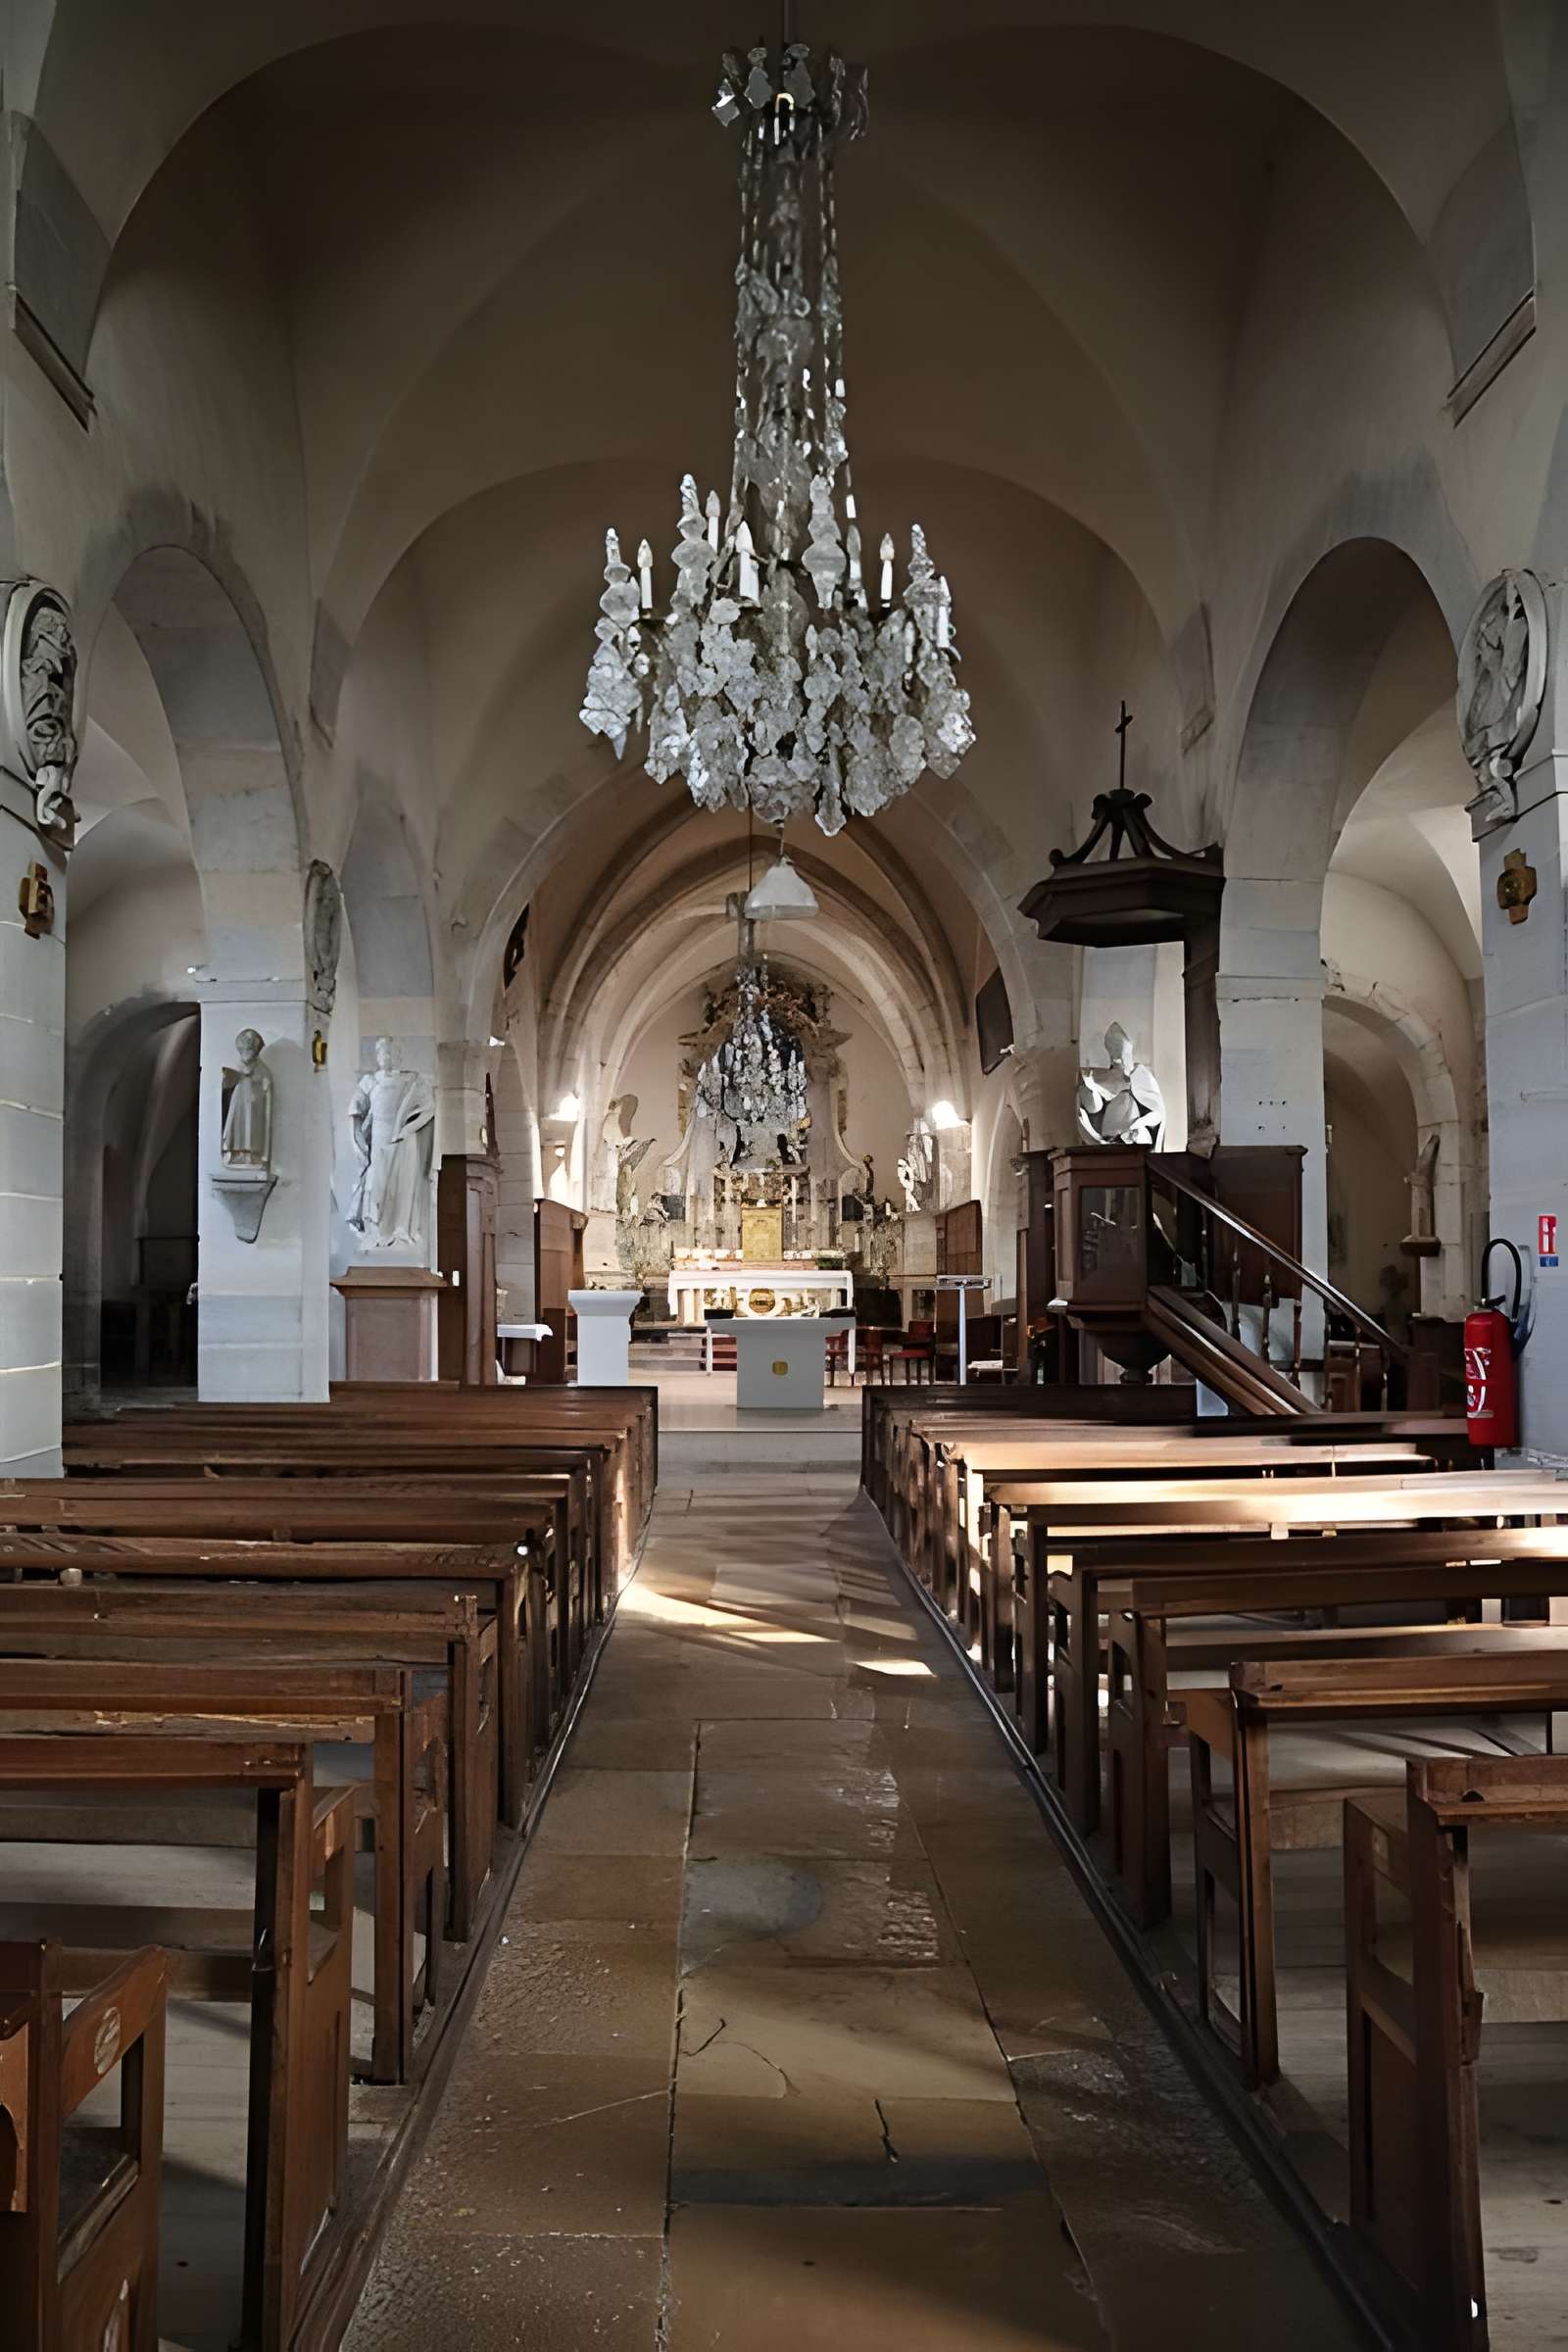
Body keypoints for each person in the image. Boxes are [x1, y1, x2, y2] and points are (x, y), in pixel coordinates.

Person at [348, 1037, 437, 1248]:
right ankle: (376, 1230)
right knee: (376, 1183)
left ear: (398, 1056)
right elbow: (356, 1107)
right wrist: (357, 1134)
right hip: (379, 1137)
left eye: (388, 1052)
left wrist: (408, 1129)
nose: (384, 1057)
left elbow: (429, 1108)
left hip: (404, 1140)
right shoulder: (371, 1081)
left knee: (404, 1183)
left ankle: (401, 1230)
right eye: (380, 1053)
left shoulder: (412, 1081)